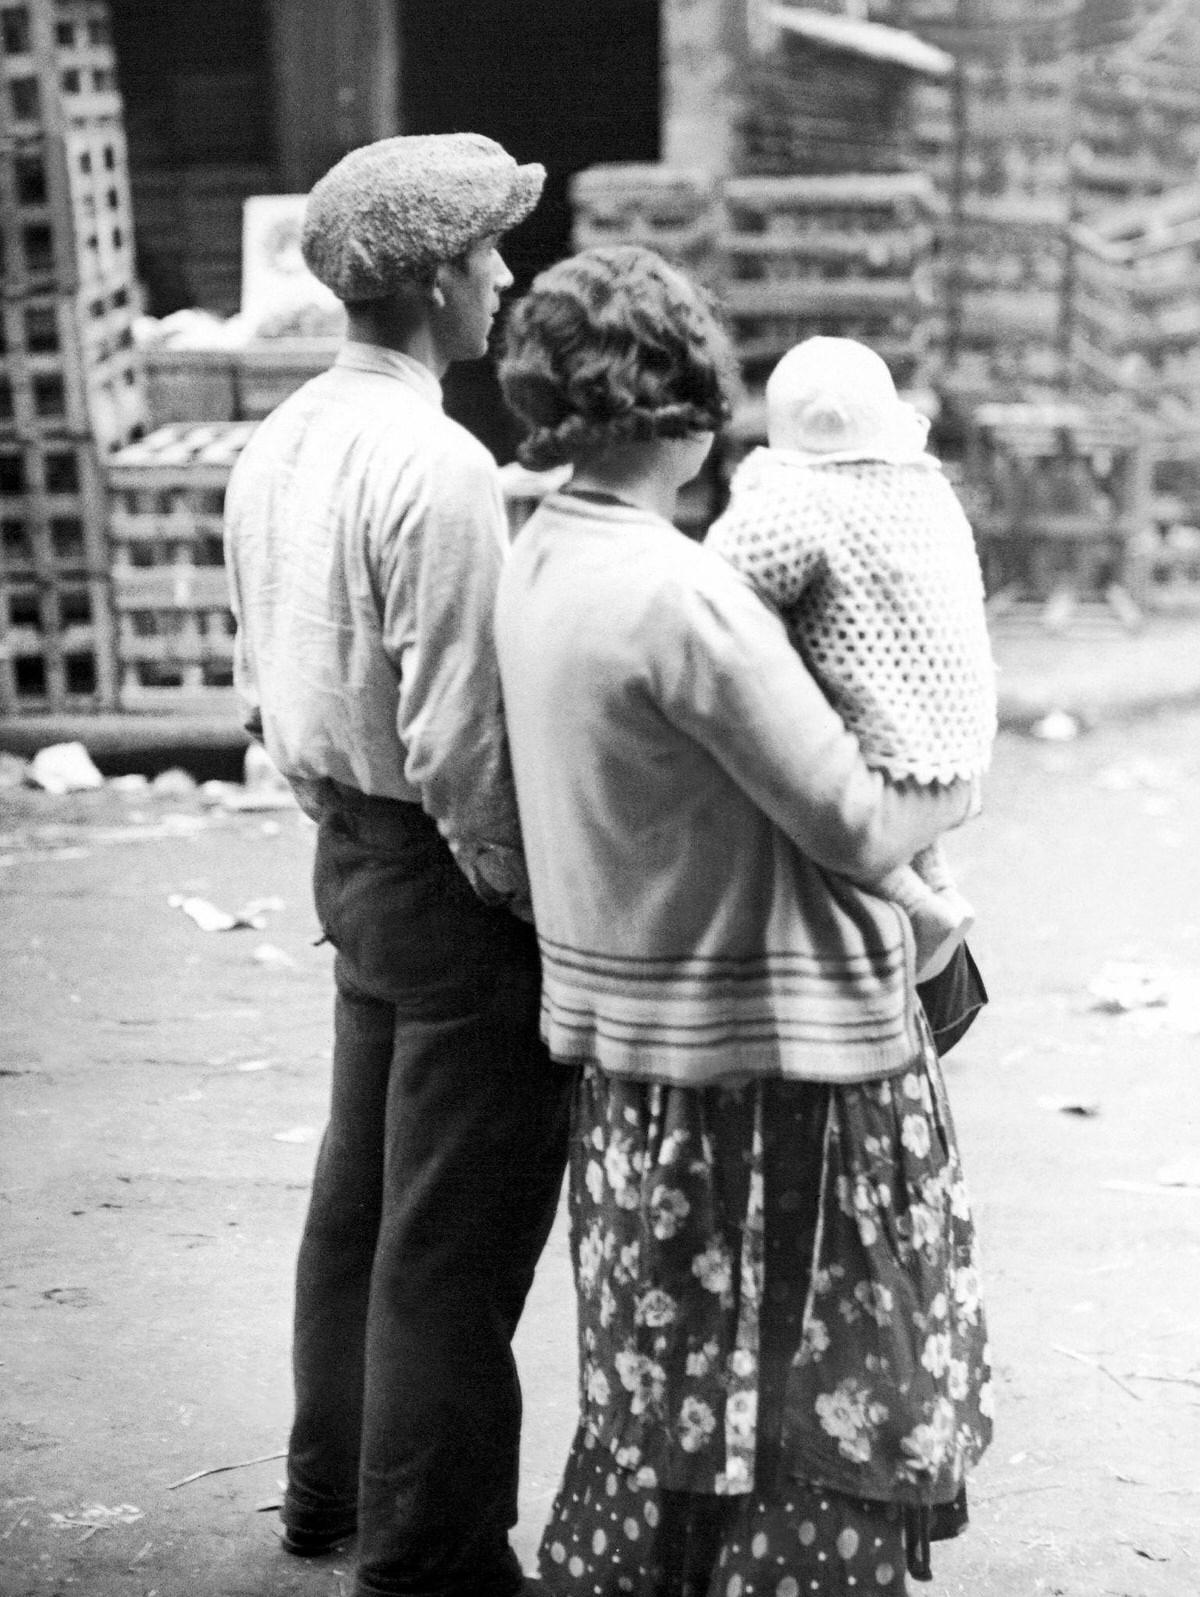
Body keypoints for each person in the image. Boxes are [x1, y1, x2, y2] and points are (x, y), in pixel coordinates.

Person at [494, 246, 993, 1597]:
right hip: (777, 1060)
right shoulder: (685, 596)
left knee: (677, 1368)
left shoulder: (539, 553)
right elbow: (857, 820)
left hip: (634, 1048)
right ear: (703, 409)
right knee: (799, 1367)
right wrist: (959, 761)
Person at [223, 133, 574, 1597]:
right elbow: (460, 738)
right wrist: (525, 899)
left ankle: (330, 1495)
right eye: (490, 253)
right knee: (455, 1239)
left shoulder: (285, 434)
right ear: (434, 281)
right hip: (439, 871)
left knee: (360, 1201)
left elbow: (261, 684)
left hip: (348, 855)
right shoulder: (434, 465)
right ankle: (430, 1552)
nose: (506, 277)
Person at [707, 336, 997, 980]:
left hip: (872, 748)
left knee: (806, 780)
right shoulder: (925, 488)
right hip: (954, 735)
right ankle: (941, 885)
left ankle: (917, 906)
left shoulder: (796, 501)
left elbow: (722, 580)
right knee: (896, 750)